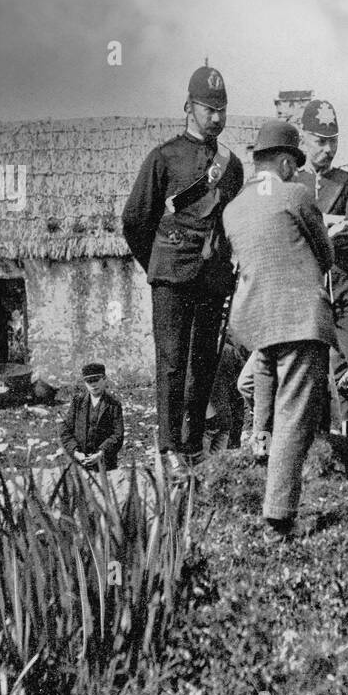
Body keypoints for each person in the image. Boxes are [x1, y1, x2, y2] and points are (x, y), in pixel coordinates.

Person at [122, 64, 243, 469]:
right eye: (208, 109)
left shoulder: (233, 166)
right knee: (172, 363)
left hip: (212, 276)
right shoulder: (164, 158)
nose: (216, 117)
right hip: (171, 276)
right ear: (188, 107)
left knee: (204, 362)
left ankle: (193, 445)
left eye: (222, 109)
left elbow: (233, 223)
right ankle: (169, 448)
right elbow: (135, 220)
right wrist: (157, 264)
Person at [222, 120, 336, 542]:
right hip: (300, 319)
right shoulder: (297, 194)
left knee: (264, 393)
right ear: (287, 162)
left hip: (257, 321)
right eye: (294, 164)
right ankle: (279, 515)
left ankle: (264, 459)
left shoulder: (233, 209)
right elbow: (324, 255)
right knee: (294, 415)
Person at [293, 98, 348, 435]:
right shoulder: (293, 182)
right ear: (303, 138)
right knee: (308, 366)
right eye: (320, 141)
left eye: (333, 141)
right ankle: (317, 448)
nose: (327, 149)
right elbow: (290, 226)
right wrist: (331, 222)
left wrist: (314, 223)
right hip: (307, 285)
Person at [60, 362, 125, 471]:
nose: (93, 384)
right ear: (85, 383)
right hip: (80, 464)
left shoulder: (113, 404)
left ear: (104, 379)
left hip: (105, 464)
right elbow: (65, 430)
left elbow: (118, 434)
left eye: (96, 380)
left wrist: (101, 453)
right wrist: (76, 452)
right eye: (89, 381)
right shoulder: (77, 402)